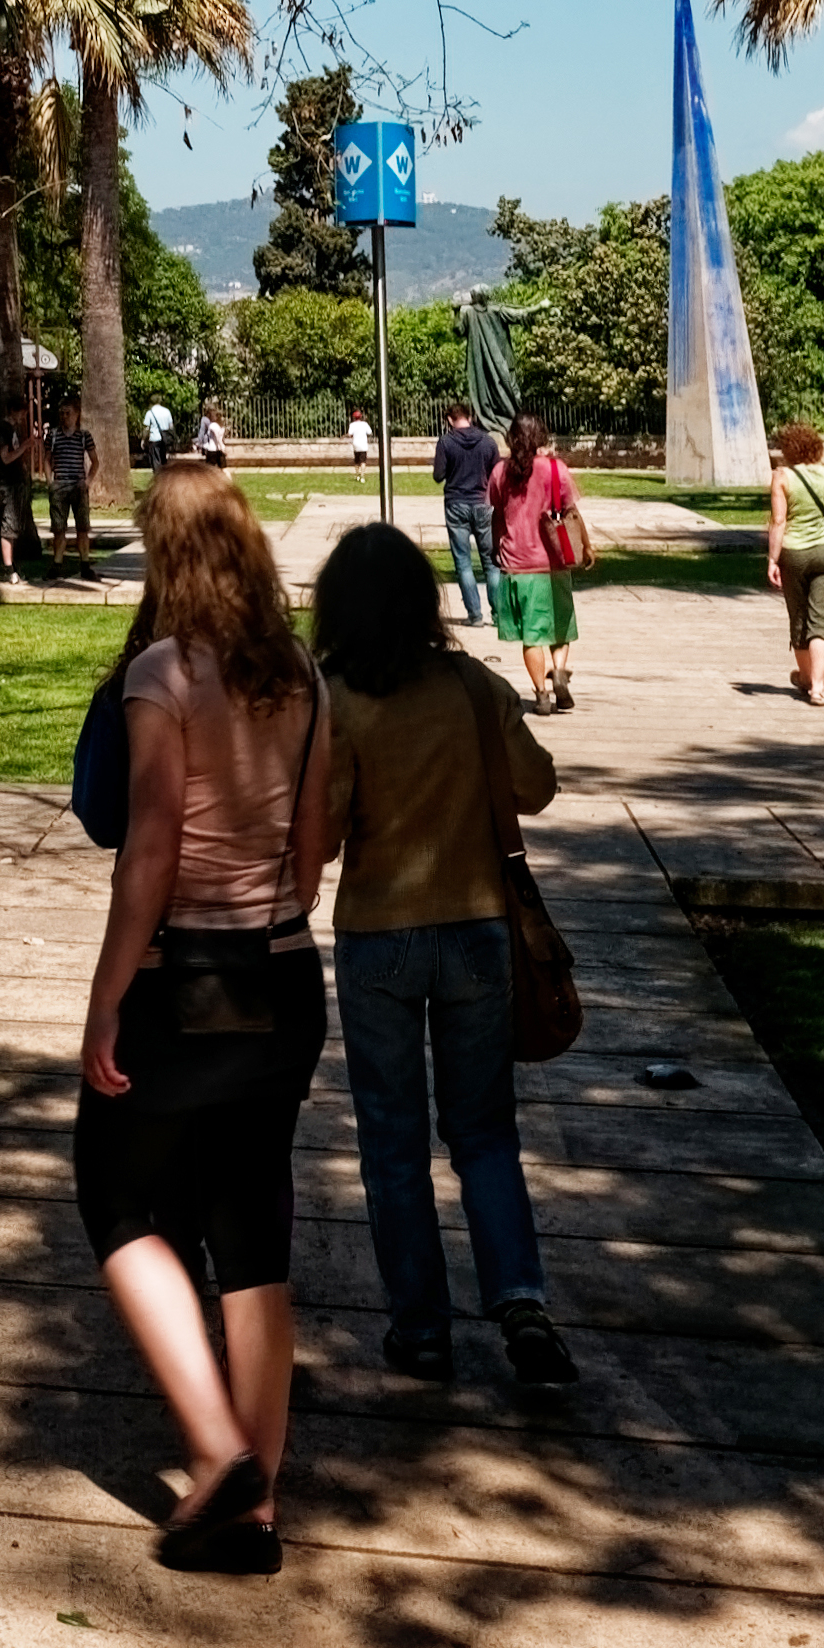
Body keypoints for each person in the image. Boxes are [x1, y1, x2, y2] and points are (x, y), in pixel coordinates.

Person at [73, 461, 333, 1572]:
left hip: (181, 980)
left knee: (117, 1199)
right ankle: (253, 1511)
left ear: (164, 554)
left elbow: (150, 847)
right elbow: (313, 852)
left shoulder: (161, 674)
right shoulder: (302, 675)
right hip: (284, 977)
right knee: (252, 1226)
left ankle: (218, 1452)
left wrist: (105, 1001)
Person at [313, 522, 577, 1397]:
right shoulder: (473, 686)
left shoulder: (337, 699)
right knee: (485, 1131)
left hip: (378, 932)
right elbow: (537, 786)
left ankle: (421, 1327)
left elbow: (323, 832)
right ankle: (522, 1303)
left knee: (392, 1141)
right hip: (478, 929)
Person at [491, 410, 583, 712]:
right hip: (553, 562)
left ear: (512, 437)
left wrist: (494, 548)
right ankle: (559, 672)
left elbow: (497, 514)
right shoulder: (555, 469)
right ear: (541, 435)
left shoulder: (500, 472)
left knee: (531, 636)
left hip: (517, 563)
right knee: (560, 627)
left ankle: (541, 695)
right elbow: (570, 510)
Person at [764, 418, 824, 705]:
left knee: (800, 616)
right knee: (821, 619)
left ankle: (805, 676)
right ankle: (818, 687)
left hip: (795, 553)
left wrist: (772, 560)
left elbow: (779, 521)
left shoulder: (782, 477)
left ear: (788, 450)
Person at [432, 402, 500, 625]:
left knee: (463, 562)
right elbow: (496, 473)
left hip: (456, 503)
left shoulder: (446, 442)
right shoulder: (488, 441)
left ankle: (475, 615)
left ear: (450, 420)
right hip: (482, 503)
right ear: (470, 417)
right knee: (491, 562)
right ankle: (498, 614)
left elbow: (438, 476)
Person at [48, 394, 98, 560]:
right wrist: (50, 481)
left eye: (68, 413)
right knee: (58, 529)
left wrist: (87, 482)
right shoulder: (53, 435)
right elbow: (47, 459)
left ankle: (85, 562)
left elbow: (95, 461)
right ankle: (57, 563)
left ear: (77, 415)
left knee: (82, 528)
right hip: (60, 484)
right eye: (62, 413)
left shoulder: (84, 436)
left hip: (78, 485)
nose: (64, 417)